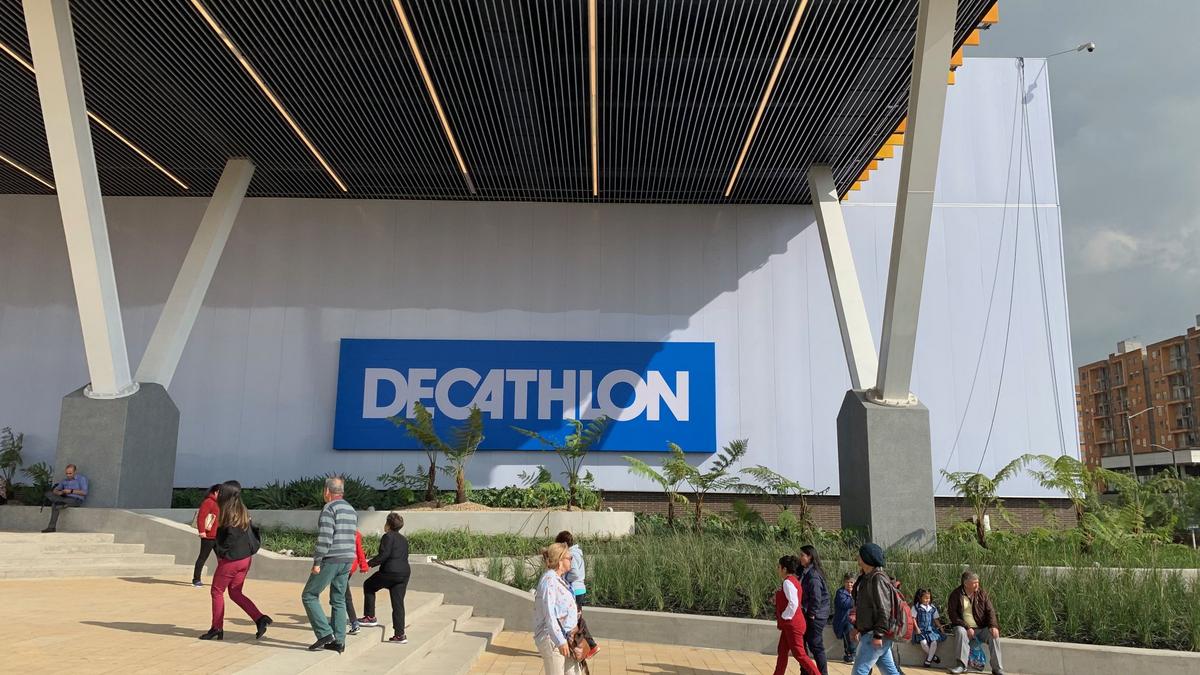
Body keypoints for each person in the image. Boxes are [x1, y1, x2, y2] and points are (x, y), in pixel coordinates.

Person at [200, 480, 271, 640]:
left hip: (231, 560)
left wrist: (220, 551)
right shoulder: (242, 510)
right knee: (235, 592)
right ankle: (260, 618)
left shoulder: (228, 513)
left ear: (225, 495)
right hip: (245, 559)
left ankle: (216, 628)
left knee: (217, 591)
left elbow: (229, 538)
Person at [302, 476, 358, 653]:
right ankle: (339, 641)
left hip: (331, 559)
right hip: (347, 559)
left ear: (327, 491)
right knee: (338, 599)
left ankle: (325, 633)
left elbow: (325, 538)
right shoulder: (351, 509)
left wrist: (317, 561)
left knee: (309, 595)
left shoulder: (329, 508)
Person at [358, 513, 412, 644]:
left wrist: (368, 564)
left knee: (369, 585)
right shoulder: (403, 539)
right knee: (398, 604)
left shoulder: (387, 536)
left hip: (390, 572)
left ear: (388, 525)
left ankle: (370, 617)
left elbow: (384, 555)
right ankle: (400, 635)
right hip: (404, 574)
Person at [849, 543, 901, 675]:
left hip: (874, 633)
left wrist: (878, 635)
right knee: (890, 672)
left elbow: (884, 609)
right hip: (873, 633)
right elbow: (864, 607)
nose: (857, 557)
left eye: (860, 555)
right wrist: (857, 627)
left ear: (867, 558)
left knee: (859, 671)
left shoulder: (877, 579)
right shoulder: (866, 577)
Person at [533, 542, 583, 675]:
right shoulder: (549, 581)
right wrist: (560, 641)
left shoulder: (559, 579)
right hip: (553, 639)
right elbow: (549, 614)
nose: (572, 560)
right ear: (560, 560)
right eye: (569, 558)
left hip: (567, 638)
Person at [947, 571, 1005, 675]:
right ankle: (961, 666)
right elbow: (953, 615)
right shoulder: (956, 595)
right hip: (964, 628)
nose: (977, 584)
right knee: (960, 631)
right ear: (966, 583)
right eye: (974, 582)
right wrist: (967, 627)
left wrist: (993, 626)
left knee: (994, 635)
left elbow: (990, 611)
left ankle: (997, 668)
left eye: (977, 582)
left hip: (981, 628)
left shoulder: (982, 594)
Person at [774, 555, 822, 675]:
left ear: (784, 569)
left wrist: (784, 616)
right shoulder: (793, 581)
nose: (778, 569)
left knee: (799, 654)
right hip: (791, 624)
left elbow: (793, 603)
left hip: (792, 624)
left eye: (779, 567)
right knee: (782, 651)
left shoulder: (788, 582)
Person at [555, 530, 598, 658]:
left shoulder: (572, 554)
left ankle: (591, 646)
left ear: (564, 544)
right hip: (579, 589)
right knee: (576, 619)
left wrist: (563, 579)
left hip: (575, 590)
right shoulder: (577, 552)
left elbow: (575, 573)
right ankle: (578, 646)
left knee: (576, 621)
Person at [798, 544, 831, 675]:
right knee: (804, 643)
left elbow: (816, 597)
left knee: (816, 646)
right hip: (811, 613)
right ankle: (805, 671)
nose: (800, 557)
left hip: (816, 616)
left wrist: (812, 613)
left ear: (810, 557)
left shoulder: (813, 575)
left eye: (802, 555)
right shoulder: (806, 571)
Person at [336, 529, 368, 636]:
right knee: (340, 593)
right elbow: (359, 550)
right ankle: (346, 622)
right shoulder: (356, 533)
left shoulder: (340, 531)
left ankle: (354, 623)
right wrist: (363, 565)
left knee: (342, 595)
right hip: (350, 566)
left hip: (341, 567)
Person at [41, 464, 88, 532]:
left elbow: (84, 492)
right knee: (48, 493)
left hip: (76, 500)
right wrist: (59, 492)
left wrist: (71, 491)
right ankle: (61, 504)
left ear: (75, 472)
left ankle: (51, 527)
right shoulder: (64, 480)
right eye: (67, 473)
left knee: (54, 505)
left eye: (70, 473)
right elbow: (55, 490)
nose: (68, 475)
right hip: (64, 498)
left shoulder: (81, 479)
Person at [192, 484, 222, 587]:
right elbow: (201, 517)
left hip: (218, 536)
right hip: (208, 536)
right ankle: (196, 579)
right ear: (216, 492)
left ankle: (221, 580)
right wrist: (202, 531)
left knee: (222, 559)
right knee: (203, 557)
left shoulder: (220, 503)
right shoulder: (208, 502)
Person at [912, 588, 946, 668]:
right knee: (923, 643)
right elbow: (913, 618)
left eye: (929, 598)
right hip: (921, 630)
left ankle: (928, 661)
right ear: (920, 598)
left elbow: (936, 619)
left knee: (934, 642)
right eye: (925, 598)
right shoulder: (916, 607)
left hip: (930, 629)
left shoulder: (932, 608)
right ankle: (933, 657)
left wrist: (941, 628)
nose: (927, 600)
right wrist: (917, 628)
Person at [833, 573, 856, 663]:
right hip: (844, 620)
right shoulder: (840, 593)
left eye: (851, 582)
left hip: (856, 618)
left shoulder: (857, 592)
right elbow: (845, 604)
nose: (849, 584)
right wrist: (856, 599)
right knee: (849, 628)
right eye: (847, 582)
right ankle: (851, 654)